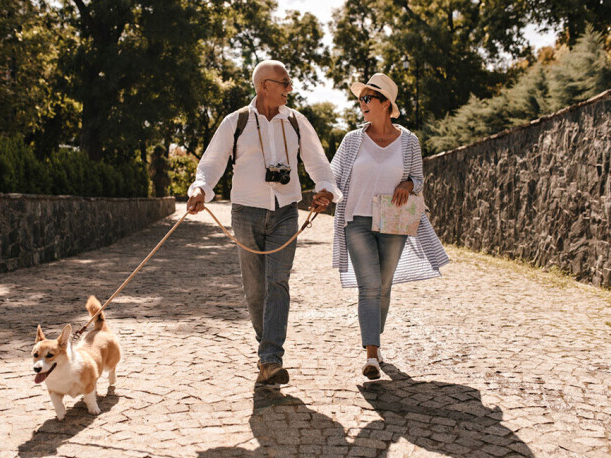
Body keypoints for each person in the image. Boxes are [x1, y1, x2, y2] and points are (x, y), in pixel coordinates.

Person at [187, 60, 341, 387]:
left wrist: (325, 189)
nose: (290, 88)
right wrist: (200, 188)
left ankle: (271, 358)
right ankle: (266, 349)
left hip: (286, 211)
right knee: (255, 290)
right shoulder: (237, 121)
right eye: (284, 82)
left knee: (278, 283)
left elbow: (318, 163)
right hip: (245, 212)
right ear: (264, 86)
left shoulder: (297, 122)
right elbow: (212, 162)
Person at [330, 73, 449, 380]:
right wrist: (321, 194)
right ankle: (371, 355)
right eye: (360, 98)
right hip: (356, 220)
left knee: (383, 287)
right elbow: (333, 174)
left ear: (386, 104)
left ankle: (375, 339)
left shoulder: (409, 141)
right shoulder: (352, 140)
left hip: (394, 220)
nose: (362, 103)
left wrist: (409, 183)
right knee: (369, 287)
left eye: (368, 98)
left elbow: (419, 180)